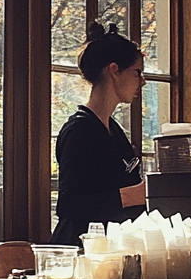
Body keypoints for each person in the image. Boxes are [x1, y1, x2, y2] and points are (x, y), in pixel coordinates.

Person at [51, 22, 147, 246]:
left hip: (110, 248)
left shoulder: (115, 131)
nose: (142, 81)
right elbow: (69, 205)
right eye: (137, 72)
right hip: (82, 251)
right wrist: (131, 195)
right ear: (114, 70)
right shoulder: (79, 132)